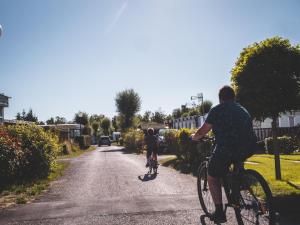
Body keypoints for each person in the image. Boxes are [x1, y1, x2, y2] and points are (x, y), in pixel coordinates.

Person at [192, 85, 257, 223]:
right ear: (234, 97)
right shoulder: (243, 109)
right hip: (248, 147)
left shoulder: (217, 110)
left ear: (220, 98)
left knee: (212, 176)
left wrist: (194, 137)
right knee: (237, 164)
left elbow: (203, 131)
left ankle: (219, 212)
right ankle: (236, 189)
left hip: (226, 148)